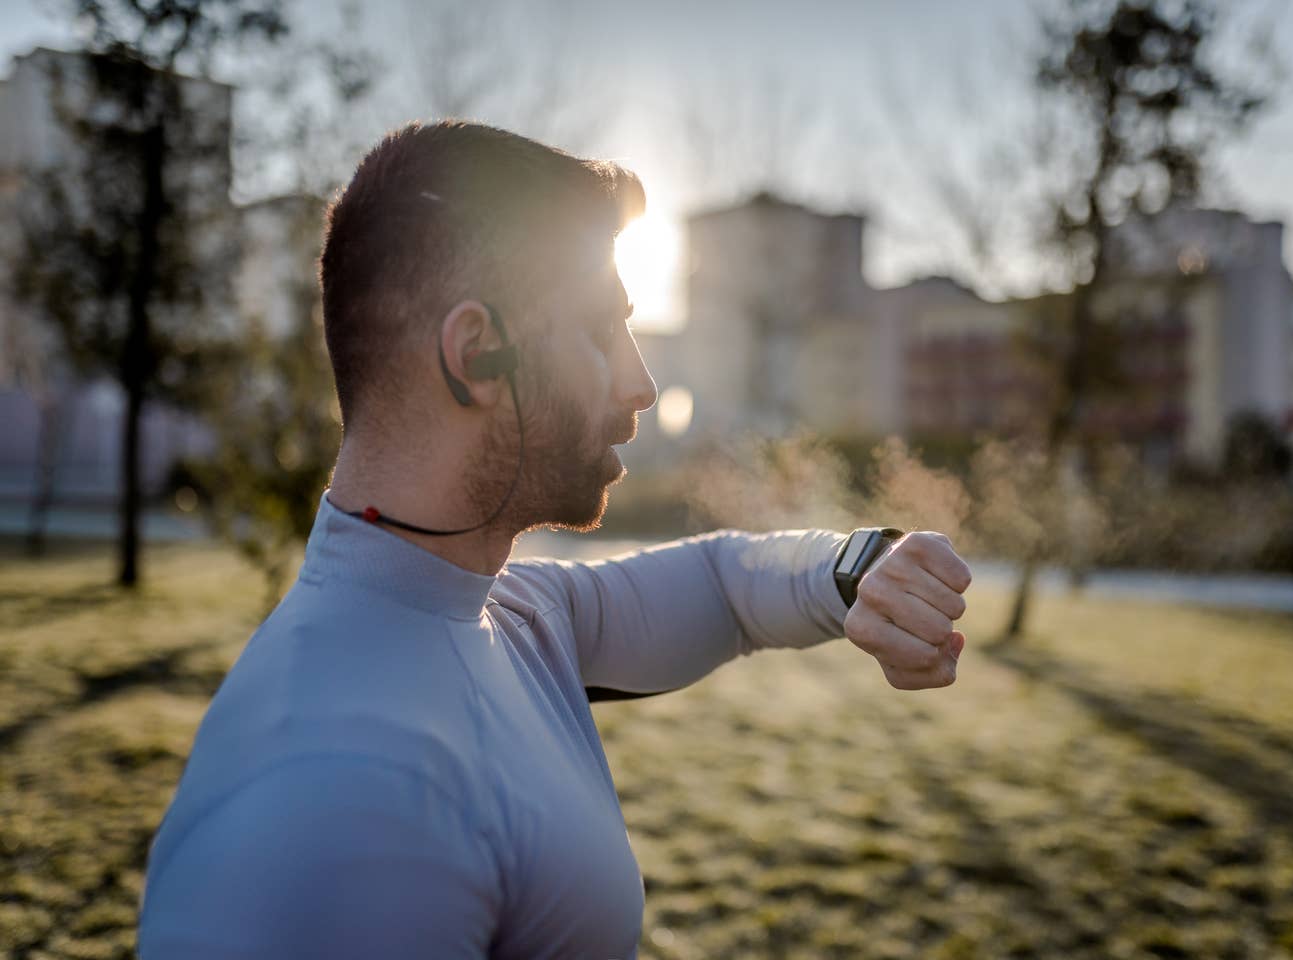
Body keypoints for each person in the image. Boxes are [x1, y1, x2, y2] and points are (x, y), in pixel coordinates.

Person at [135, 120, 972, 959]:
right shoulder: (328, 799)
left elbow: (726, 585)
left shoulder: (502, 611)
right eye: (600, 330)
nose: (642, 384)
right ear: (475, 355)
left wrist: (868, 568)